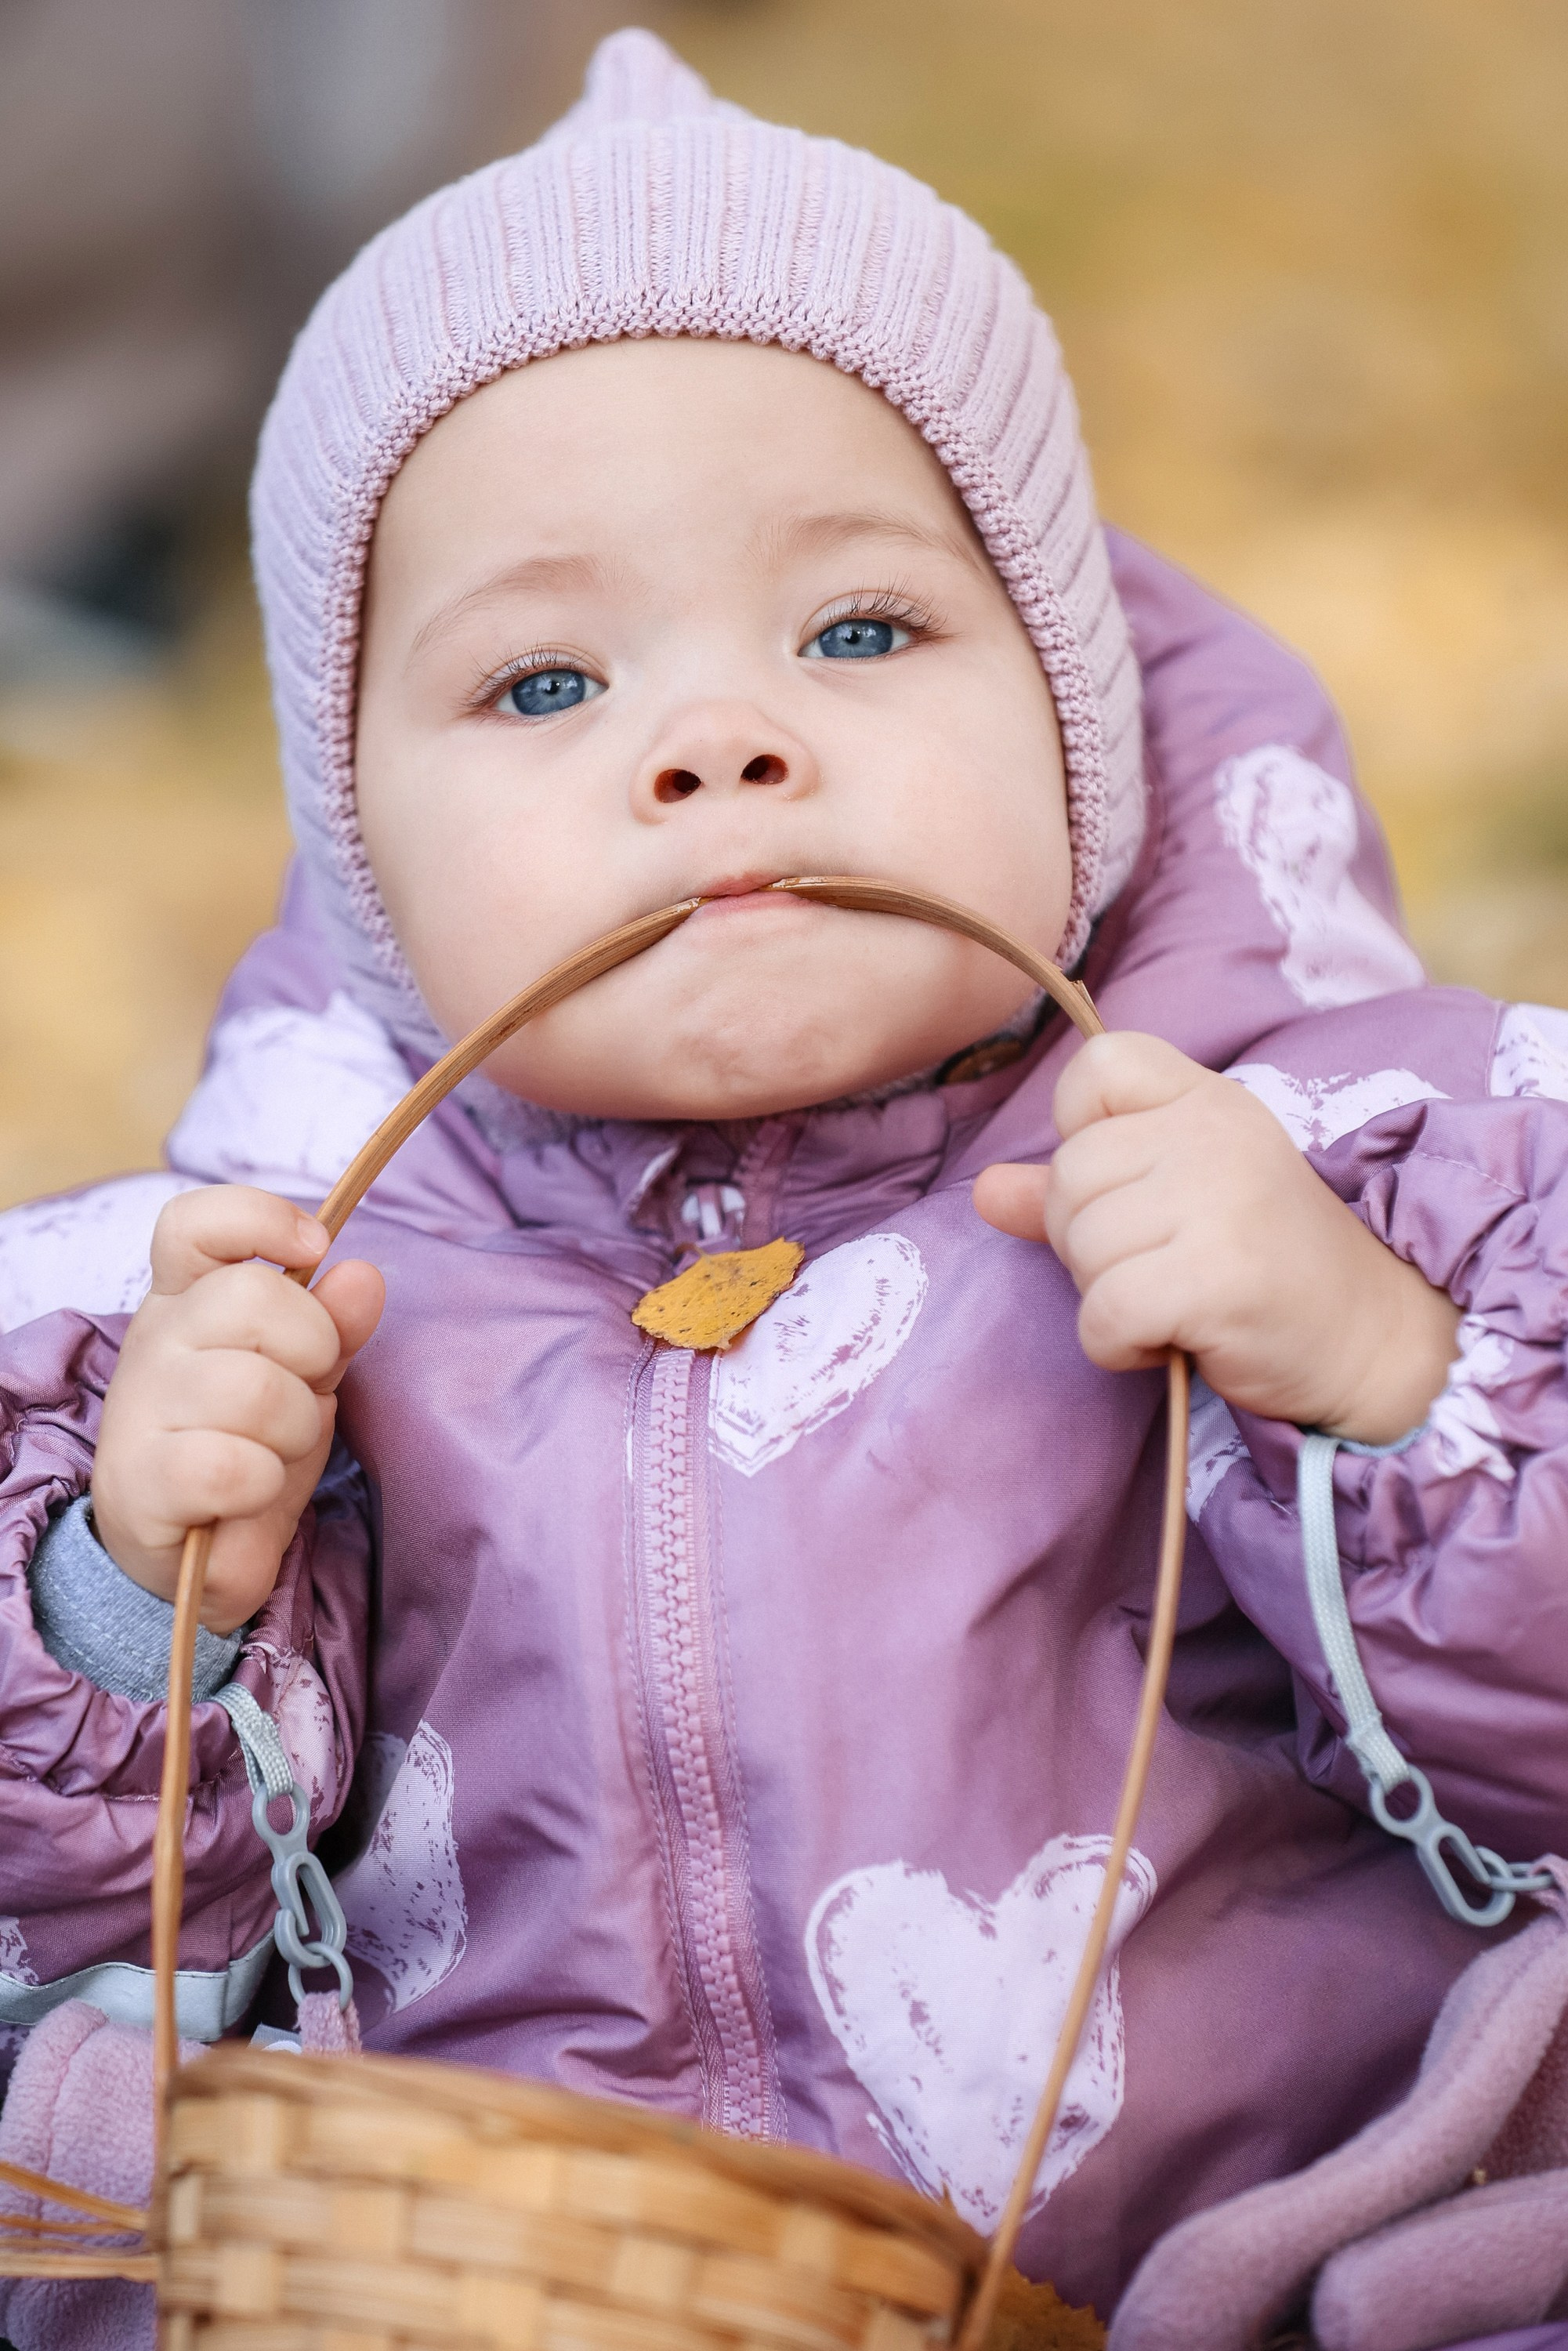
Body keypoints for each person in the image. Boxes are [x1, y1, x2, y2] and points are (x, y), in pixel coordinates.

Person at [2, 30, 1566, 2348]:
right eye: (542, 683)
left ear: (1070, 716)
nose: (719, 738)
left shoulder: (1358, 1163)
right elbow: (111, 1932)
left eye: (857, 632)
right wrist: (146, 1595)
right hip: (510, 2290)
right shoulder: (274, 1291)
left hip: (1235, 2281)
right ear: (365, 861)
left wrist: (1377, 1380)